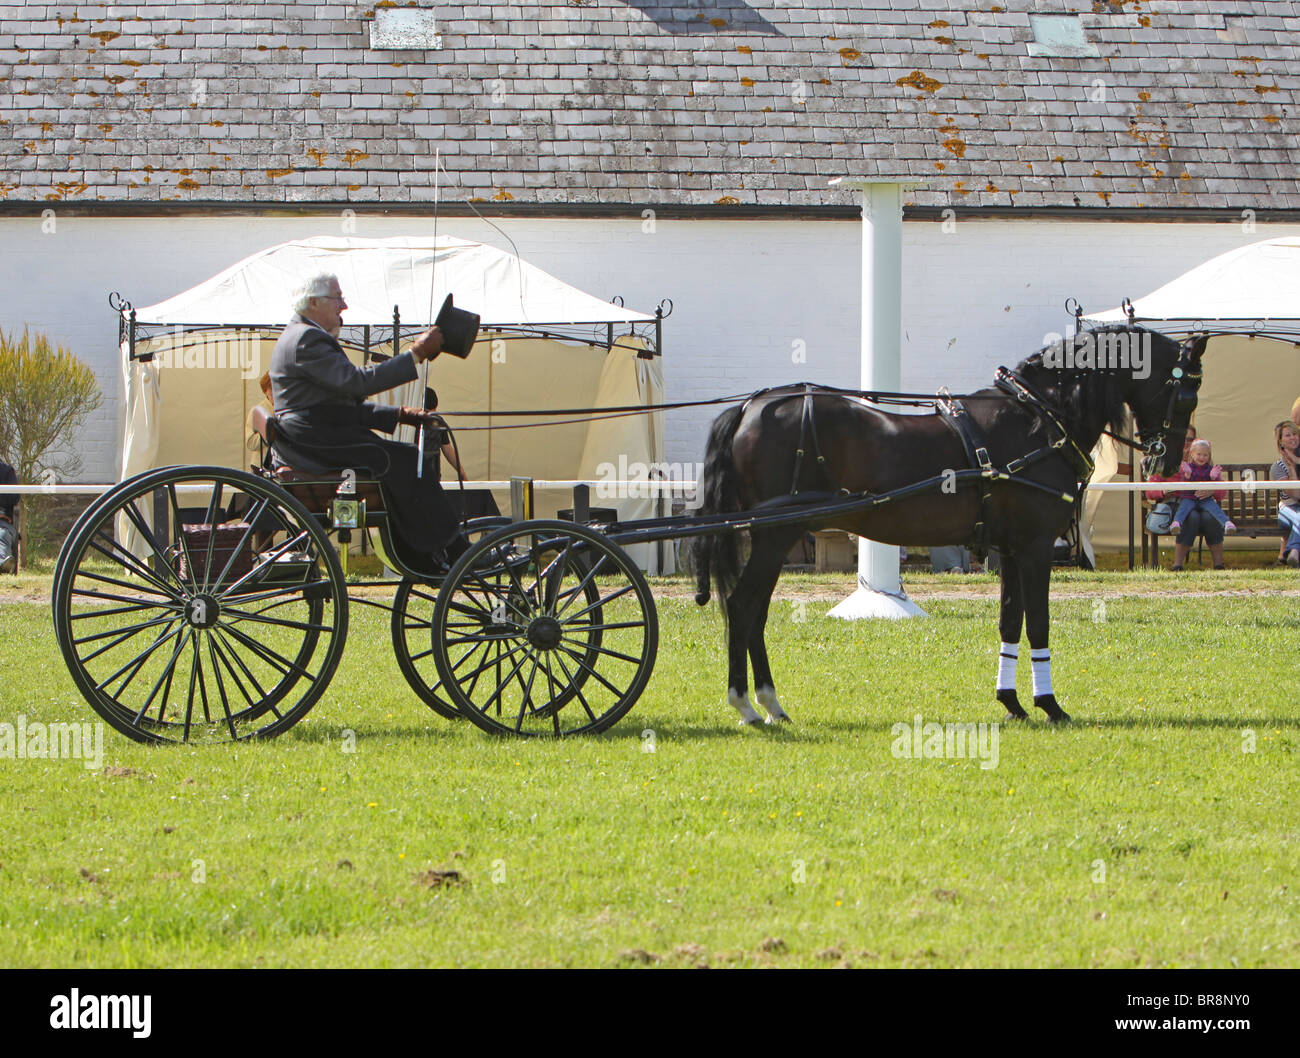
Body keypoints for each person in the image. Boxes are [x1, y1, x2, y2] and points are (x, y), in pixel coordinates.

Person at [268, 273, 463, 572]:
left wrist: (398, 414)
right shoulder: (306, 338)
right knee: (407, 459)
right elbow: (356, 383)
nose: (344, 305)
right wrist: (416, 353)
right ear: (313, 302)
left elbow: (338, 406)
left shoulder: (303, 335)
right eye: (337, 297)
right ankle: (451, 548)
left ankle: (425, 551)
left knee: (403, 458)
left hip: (312, 436)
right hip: (314, 440)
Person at [1145, 424, 1226, 571]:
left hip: (1202, 503)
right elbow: (1149, 492)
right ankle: (1178, 565)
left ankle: (1219, 565)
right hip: (1175, 504)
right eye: (1181, 438)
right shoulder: (1164, 461)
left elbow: (1221, 493)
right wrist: (1166, 490)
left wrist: (1211, 490)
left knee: (1210, 517)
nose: (1185, 443)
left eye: (1189, 439)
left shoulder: (1204, 460)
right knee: (1192, 516)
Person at [1169, 439, 1236, 535]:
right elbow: (1183, 486)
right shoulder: (1188, 468)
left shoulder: (1210, 469)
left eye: (1205, 455)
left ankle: (1227, 523)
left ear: (1209, 456)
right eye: (1199, 454)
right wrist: (1187, 475)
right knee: (1183, 509)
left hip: (1205, 498)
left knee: (1214, 508)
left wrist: (1213, 478)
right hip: (1189, 498)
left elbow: (1217, 486)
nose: (1202, 457)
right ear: (1192, 454)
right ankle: (1176, 524)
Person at [1272, 420, 1300, 566]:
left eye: (1295, 434)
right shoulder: (1277, 467)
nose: (1293, 438)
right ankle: (1293, 553)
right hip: (1287, 509)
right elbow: (1295, 494)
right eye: (1288, 435)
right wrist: (1292, 468)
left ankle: (1292, 551)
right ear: (1280, 442)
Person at [0, 458, 17, 573]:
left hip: (2, 521)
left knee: (2, 535)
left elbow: (13, 497)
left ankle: (2, 563)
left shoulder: (6, 471)